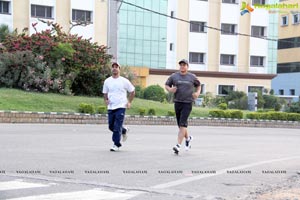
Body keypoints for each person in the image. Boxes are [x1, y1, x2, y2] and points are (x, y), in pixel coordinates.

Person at [165, 59, 201, 155]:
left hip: (188, 103)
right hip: (177, 102)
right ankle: (188, 139)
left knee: (182, 124)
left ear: (187, 66)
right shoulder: (174, 76)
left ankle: (178, 145)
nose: (182, 66)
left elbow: (198, 86)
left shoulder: (192, 77)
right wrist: (170, 89)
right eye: (181, 65)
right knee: (181, 125)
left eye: (184, 65)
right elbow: (167, 85)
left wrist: (197, 93)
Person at [102, 62, 135, 151]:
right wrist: (106, 100)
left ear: (119, 69)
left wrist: (129, 102)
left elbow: (132, 91)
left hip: (121, 106)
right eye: (113, 67)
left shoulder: (124, 81)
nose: (114, 68)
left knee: (117, 127)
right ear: (111, 69)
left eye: (116, 67)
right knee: (111, 126)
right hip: (111, 106)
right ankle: (124, 130)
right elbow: (105, 92)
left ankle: (116, 144)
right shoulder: (107, 81)